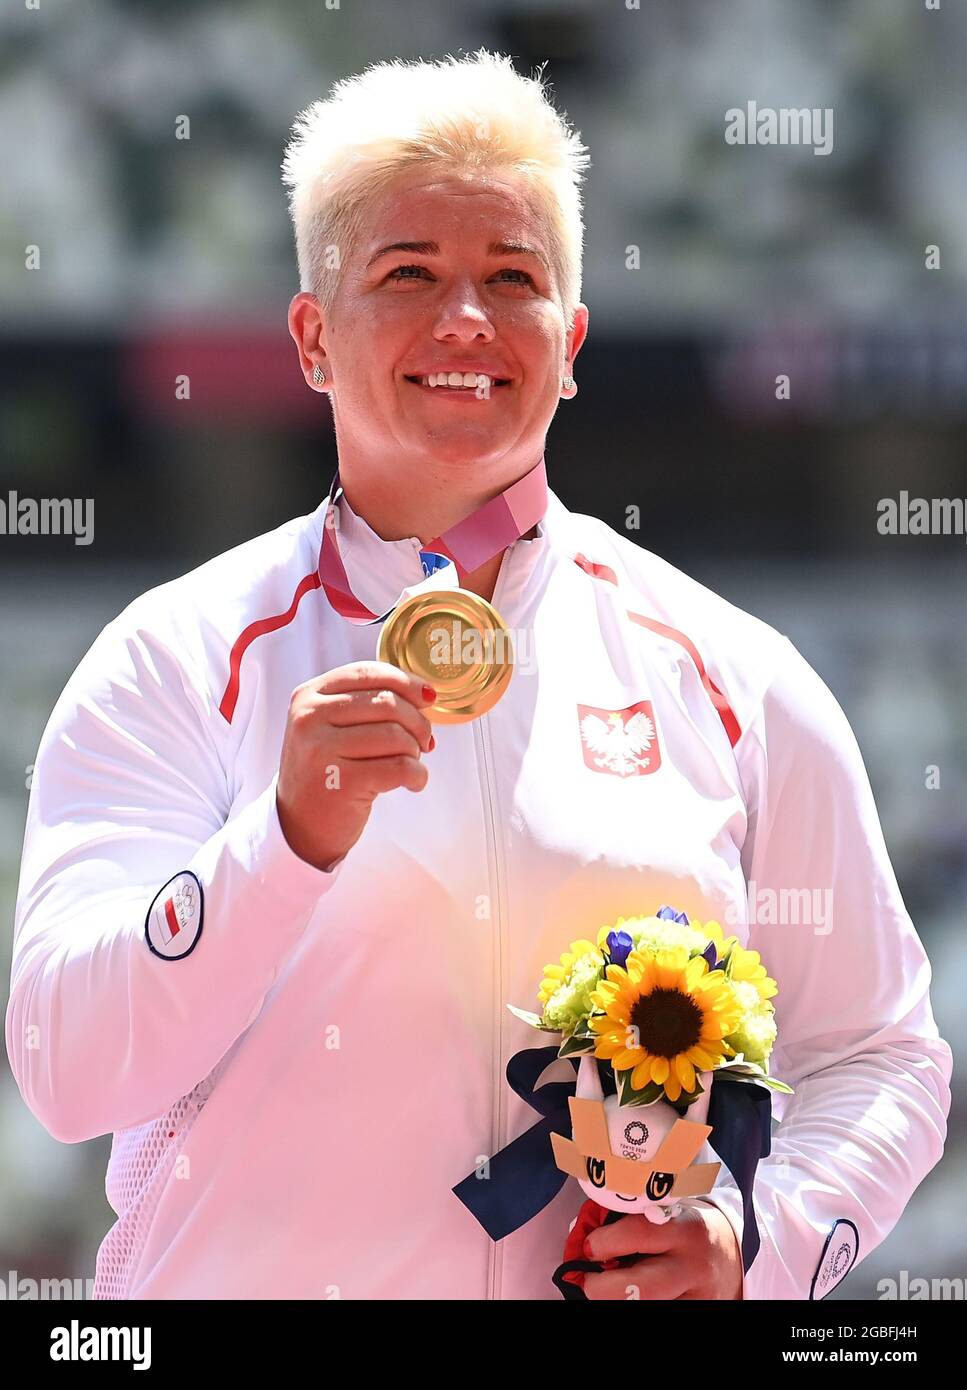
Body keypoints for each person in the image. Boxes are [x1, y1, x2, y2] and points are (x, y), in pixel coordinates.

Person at [5, 49, 951, 1301]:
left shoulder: (733, 674)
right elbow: (67, 1069)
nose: (465, 321)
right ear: (310, 336)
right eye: (408, 275)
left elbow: (880, 1054)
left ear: (568, 342)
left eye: (512, 279)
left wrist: (751, 1244)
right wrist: (281, 844)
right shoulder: (177, 661)